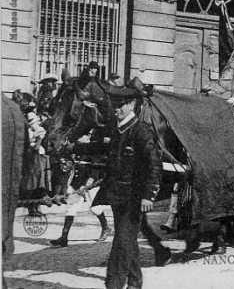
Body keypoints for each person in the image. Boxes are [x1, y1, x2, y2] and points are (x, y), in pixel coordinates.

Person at [99, 85, 164, 289]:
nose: (115, 109)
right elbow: (102, 148)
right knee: (126, 240)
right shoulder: (117, 129)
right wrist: (74, 148)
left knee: (121, 244)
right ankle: (135, 281)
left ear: (132, 104)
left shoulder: (141, 131)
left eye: (119, 105)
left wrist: (149, 195)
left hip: (134, 198)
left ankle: (114, 285)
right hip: (117, 195)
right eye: (114, 105)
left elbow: (155, 164)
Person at [50, 131, 111, 247]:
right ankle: (64, 237)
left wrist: (86, 185)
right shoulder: (78, 148)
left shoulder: (93, 148)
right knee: (71, 208)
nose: (78, 137)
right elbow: (73, 164)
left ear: (87, 136)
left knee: (94, 207)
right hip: (76, 183)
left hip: (90, 184)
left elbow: (95, 170)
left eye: (81, 135)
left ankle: (105, 227)